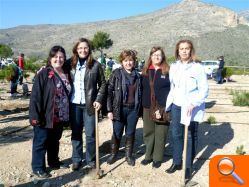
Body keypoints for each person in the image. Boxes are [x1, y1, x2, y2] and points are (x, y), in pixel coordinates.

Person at [165, 40, 208, 181]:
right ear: (177, 51)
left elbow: (204, 89)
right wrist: (169, 104)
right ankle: (177, 162)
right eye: (181, 49)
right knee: (176, 134)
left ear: (191, 50)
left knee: (190, 136)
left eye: (187, 48)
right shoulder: (174, 67)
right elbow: (173, 86)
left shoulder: (198, 68)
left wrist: (194, 103)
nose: (184, 51)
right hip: (177, 105)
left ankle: (188, 167)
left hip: (191, 106)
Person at [29, 46, 72, 178]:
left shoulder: (66, 73)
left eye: (61, 57)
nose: (58, 59)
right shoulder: (44, 73)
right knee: (40, 142)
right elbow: (35, 96)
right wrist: (34, 116)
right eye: (55, 57)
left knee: (54, 140)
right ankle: (37, 167)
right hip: (45, 115)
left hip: (60, 116)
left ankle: (53, 162)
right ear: (50, 58)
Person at [69, 38, 106, 171]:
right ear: (76, 50)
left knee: (90, 135)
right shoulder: (70, 64)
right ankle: (77, 159)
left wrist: (99, 99)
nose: (83, 50)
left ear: (89, 49)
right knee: (76, 133)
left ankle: (90, 160)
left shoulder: (95, 65)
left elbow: (103, 84)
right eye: (80, 48)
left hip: (90, 104)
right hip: (74, 104)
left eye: (85, 48)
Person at [106, 50, 142, 166]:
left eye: (130, 60)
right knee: (117, 132)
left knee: (130, 133)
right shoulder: (116, 74)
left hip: (133, 110)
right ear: (122, 62)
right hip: (119, 109)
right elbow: (109, 92)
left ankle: (128, 155)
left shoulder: (138, 76)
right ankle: (113, 154)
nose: (128, 63)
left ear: (134, 61)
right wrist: (109, 110)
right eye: (126, 61)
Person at [140, 46, 170, 168]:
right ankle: (148, 156)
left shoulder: (168, 71)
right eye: (154, 55)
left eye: (159, 54)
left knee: (161, 133)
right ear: (150, 57)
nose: (156, 57)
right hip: (147, 107)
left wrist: (165, 107)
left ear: (163, 56)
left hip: (163, 108)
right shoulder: (145, 71)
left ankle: (157, 158)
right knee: (148, 132)